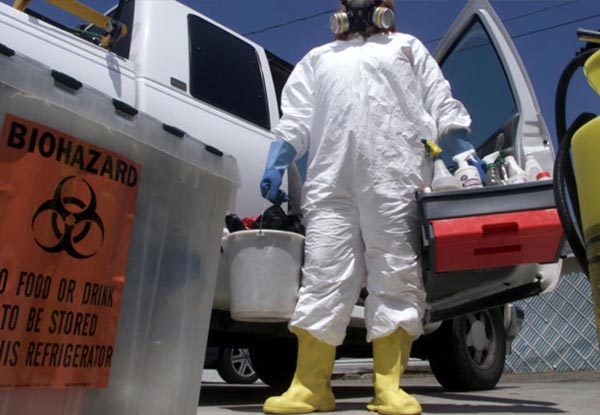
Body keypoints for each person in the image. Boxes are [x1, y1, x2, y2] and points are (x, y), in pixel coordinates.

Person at [259, 1, 471, 414]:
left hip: (394, 174)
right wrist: (278, 157)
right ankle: (309, 387)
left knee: (396, 274)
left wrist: (460, 147)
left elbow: (438, 98)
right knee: (322, 277)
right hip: (331, 182)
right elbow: (298, 115)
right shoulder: (318, 59)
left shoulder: (405, 47)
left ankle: (388, 388)